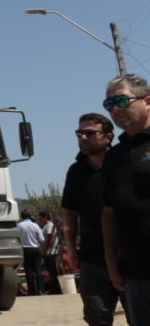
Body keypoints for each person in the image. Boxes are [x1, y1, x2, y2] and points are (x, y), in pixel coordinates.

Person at [62, 112, 120, 326]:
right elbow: (69, 210)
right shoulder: (76, 171)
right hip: (92, 257)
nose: (83, 138)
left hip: (129, 255)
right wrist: (70, 245)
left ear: (108, 137)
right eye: (79, 133)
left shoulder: (122, 163)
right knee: (96, 315)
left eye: (90, 133)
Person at [102, 74, 150, 325]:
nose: (115, 109)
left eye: (122, 100)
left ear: (148, 101)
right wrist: (111, 263)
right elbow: (109, 213)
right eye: (109, 104)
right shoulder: (115, 156)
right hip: (135, 274)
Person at [18, 210, 44, 296]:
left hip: (25, 250)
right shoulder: (35, 225)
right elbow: (41, 239)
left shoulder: (19, 226)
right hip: (35, 249)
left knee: (28, 271)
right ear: (30, 216)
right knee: (38, 270)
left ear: (22, 217)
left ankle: (31, 291)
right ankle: (40, 290)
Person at [39, 211, 62, 294]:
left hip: (51, 253)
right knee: (51, 272)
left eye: (40, 217)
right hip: (49, 252)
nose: (39, 219)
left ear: (44, 217)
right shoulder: (47, 226)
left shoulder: (49, 226)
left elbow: (50, 237)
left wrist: (48, 249)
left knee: (53, 272)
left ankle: (56, 290)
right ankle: (55, 289)